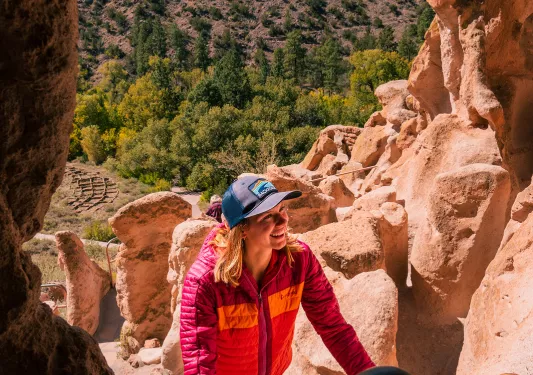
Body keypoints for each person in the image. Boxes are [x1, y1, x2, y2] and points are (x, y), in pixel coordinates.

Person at [180, 176, 376, 375]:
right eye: (267, 216)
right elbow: (199, 363)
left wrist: (366, 372)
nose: (283, 220)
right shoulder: (205, 281)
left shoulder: (299, 260)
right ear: (242, 229)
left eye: (282, 209)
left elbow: (332, 326)